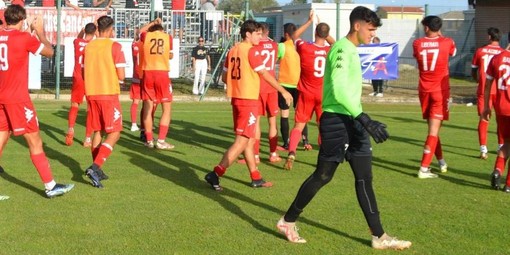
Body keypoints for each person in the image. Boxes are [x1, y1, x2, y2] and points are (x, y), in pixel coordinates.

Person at [276, 6, 412, 250]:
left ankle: (379, 236)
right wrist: (365, 118)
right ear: (357, 25)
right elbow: (338, 91)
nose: (372, 34)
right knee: (323, 175)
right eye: (370, 29)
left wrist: (361, 120)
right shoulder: (340, 48)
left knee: (364, 178)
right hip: (337, 121)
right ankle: (287, 221)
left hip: (354, 121)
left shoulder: (352, 50)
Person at [204, 20, 293, 191]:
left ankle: (256, 177)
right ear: (248, 34)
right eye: (257, 33)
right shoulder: (251, 51)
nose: (260, 36)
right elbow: (265, 75)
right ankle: (216, 173)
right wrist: (283, 91)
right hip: (248, 101)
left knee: (249, 141)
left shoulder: (232, 51)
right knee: (241, 141)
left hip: (237, 99)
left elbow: (224, 78)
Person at [0, 5, 75, 198]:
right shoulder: (25, 38)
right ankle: (50, 186)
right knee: (35, 141)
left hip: (1, 96)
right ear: (22, 20)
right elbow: (50, 52)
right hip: (17, 99)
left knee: (0, 140)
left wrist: (29, 31)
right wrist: (39, 32)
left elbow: (12, 41)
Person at [283, 11, 334, 170]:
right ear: (325, 35)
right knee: (322, 127)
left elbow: (294, 36)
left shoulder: (305, 47)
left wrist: (309, 21)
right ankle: (323, 159)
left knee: (298, 125)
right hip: (322, 94)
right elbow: (336, 43)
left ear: (315, 33)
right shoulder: (329, 51)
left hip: (305, 92)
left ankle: (291, 153)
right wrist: (325, 32)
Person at [83, 15, 126, 188]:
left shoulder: (89, 46)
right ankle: (95, 166)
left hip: (91, 93)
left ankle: (97, 170)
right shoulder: (114, 46)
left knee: (98, 130)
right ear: (110, 29)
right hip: (108, 93)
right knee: (115, 132)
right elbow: (121, 75)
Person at [413, 15, 456, 179]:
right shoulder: (447, 42)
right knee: (434, 130)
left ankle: (441, 161)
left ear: (426, 28)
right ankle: (424, 168)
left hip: (424, 90)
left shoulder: (417, 43)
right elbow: (452, 51)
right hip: (440, 91)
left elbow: (418, 57)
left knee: (433, 129)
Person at [238, 22, 281, 164]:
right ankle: (273, 153)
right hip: (272, 87)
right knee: (272, 123)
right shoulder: (275, 45)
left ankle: (255, 155)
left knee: (255, 123)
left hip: (258, 86)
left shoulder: (254, 47)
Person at [141, 21, 175, 150]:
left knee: (148, 107)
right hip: (161, 73)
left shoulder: (146, 36)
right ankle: (161, 140)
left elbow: (140, 31)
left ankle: (149, 140)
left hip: (148, 72)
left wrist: (152, 23)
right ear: (162, 30)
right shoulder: (167, 37)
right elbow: (169, 53)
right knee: (166, 108)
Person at [471, 27, 504, 160]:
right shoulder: (503, 53)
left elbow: (474, 70)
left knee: (484, 119)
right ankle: (501, 146)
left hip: (484, 90)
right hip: (500, 90)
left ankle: (483, 150)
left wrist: (478, 80)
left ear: (489, 37)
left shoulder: (480, 51)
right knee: (501, 120)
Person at [277, 23, 310, 151]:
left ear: (286, 34)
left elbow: (274, 60)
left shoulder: (282, 46)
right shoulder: (300, 46)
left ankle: (286, 143)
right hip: (299, 84)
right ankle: (305, 141)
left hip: (284, 85)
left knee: (284, 114)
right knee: (301, 114)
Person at [483, 45, 510, 192]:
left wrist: (486, 107)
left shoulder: (497, 58)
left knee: (506, 143)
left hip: (501, 108)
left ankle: (498, 170)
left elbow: (487, 85)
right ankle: (509, 185)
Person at [65, 23, 96, 147]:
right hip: (90, 78)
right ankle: (87, 138)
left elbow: (79, 37)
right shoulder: (94, 45)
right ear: (94, 33)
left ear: (84, 31)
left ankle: (71, 129)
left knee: (74, 105)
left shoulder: (77, 42)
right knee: (90, 109)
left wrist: (82, 31)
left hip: (77, 77)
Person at [129, 28, 142, 132]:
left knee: (136, 102)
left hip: (137, 76)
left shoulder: (135, 44)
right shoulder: (145, 45)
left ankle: (134, 124)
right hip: (144, 76)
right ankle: (145, 122)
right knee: (149, 102)